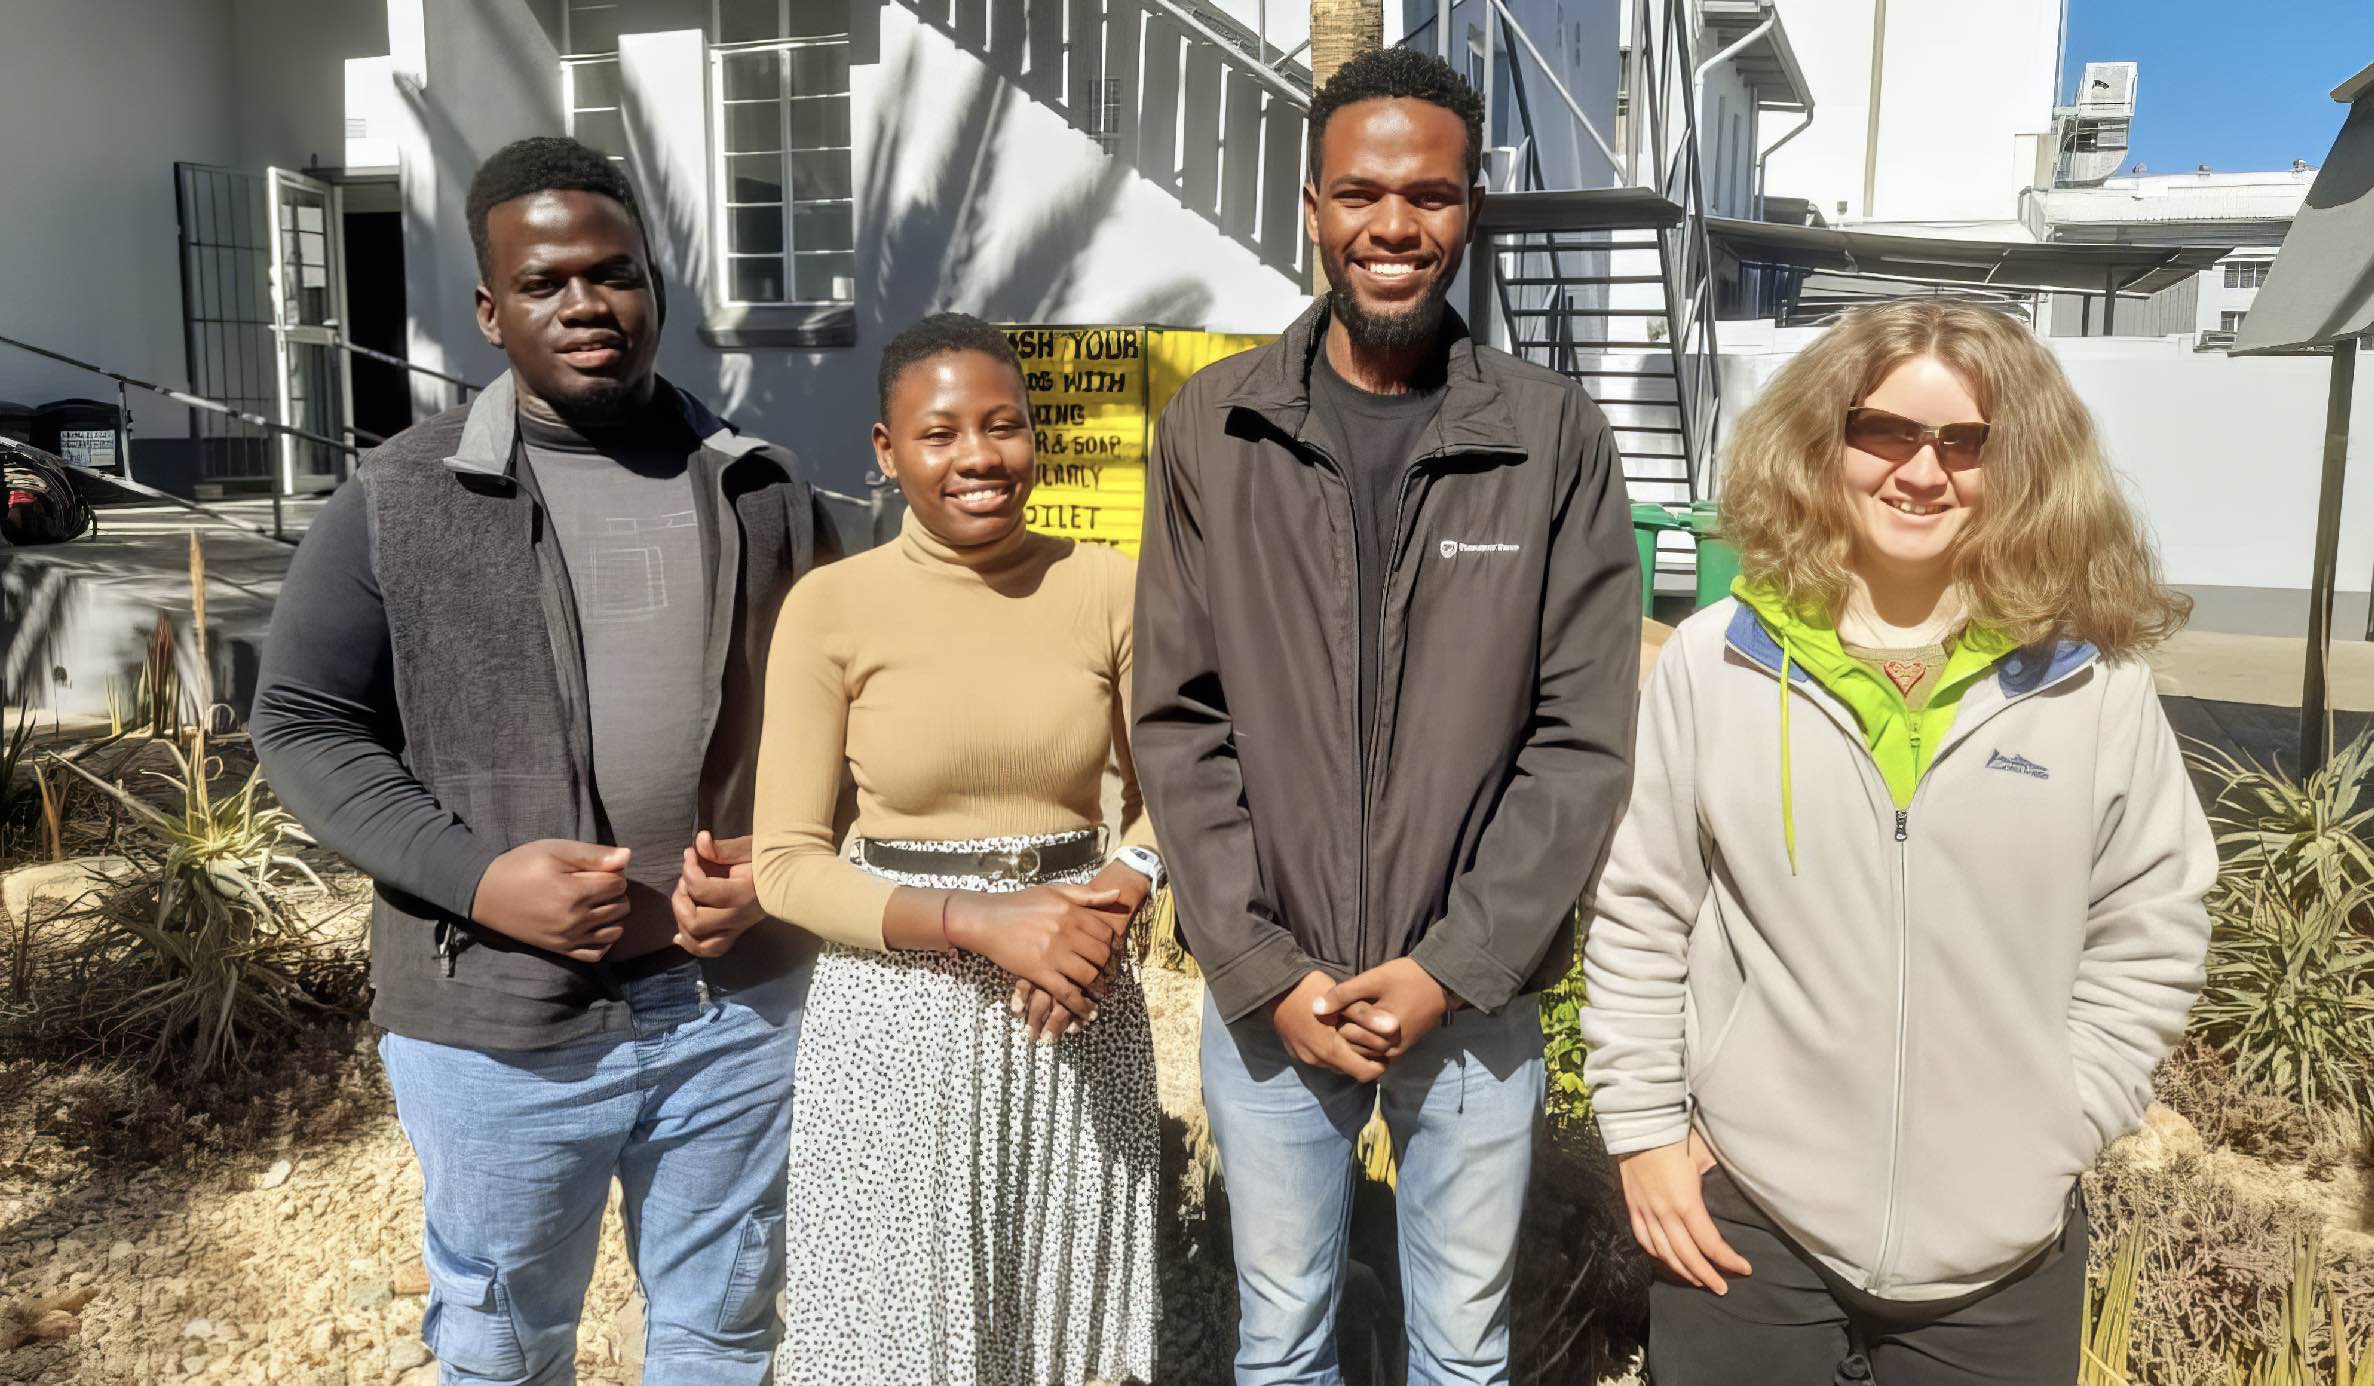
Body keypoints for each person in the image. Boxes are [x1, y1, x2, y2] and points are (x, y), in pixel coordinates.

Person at [249, 136, 838, 1384]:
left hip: (730, 1008)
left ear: (654, 289)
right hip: (498, 1025)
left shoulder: (763, 489)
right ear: (490, 309)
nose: (586, 305)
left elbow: (838, 719)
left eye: (614, 274)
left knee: (724, 1333)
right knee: (505, 1345)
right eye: (544, 283)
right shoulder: (398, 500)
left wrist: (783, 869)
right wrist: (478, 878)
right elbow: (299, 721)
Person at [1581, 301, 2216, 1383]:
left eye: (1966, 444)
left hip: (2002, 1252)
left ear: (2020, 467)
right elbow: (1643, 910)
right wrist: (1643, 1132)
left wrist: (2063, 1120)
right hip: (1750, 1225)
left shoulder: (2090, 684)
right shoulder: (1715, 661)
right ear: (1823, 443)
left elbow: (2151, 926)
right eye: (1884, 432)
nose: (1922, 473)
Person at [1132, 46, 1641, 1384]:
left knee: (1462, 1346)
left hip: (1470, 995)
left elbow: (1579, 736)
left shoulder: (1550, 439)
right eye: (1359, 193)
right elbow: (1179, 718)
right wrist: (1261, 966)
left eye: (1429, 194)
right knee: (1280, 1330)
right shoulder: (1215, 427)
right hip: (1272, 996)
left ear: (1470, 206)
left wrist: (1449, 966)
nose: (1394, 227)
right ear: (1311, 206)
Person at [750, 312, 1163, 1386]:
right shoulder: (831, 608)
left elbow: (1179, 796)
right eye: (940, 434)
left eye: (1004, 426)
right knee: (897, 1341)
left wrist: (1113, 902)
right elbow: (787, 861)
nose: (979, 457)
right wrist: (977, 922)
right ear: (886, 452)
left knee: (1060, 1337)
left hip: (1073, 999)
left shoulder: (1106, 586)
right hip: (898, 1017)